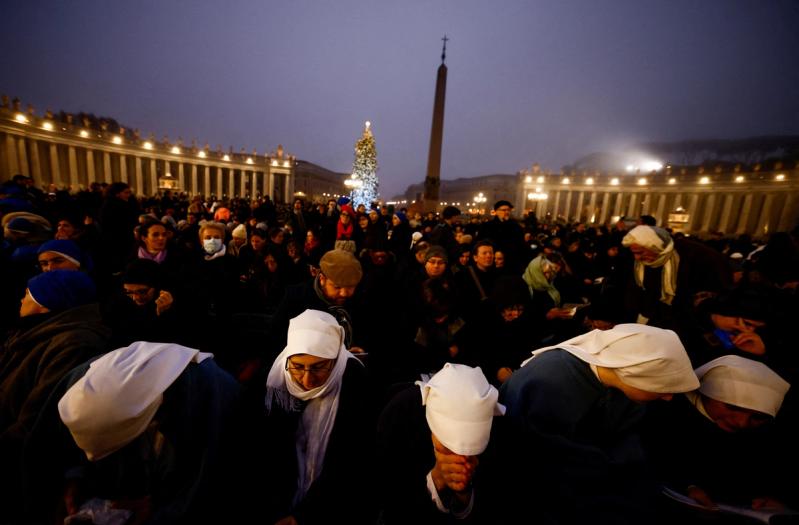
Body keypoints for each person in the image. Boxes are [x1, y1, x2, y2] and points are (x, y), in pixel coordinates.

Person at [500, 324, 700, 524]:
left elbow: (626, 436)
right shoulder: (548, 380)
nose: (668, 397)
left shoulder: (623, 384)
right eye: (663, 388)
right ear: (637, 376)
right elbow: (540, 460)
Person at [23, 342, 242, 524]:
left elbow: (205, 489)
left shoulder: (214, 397)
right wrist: (73, 478)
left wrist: (154, 512)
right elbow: (56, 447)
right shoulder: (85, 379)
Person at [0, 271, 109, 515]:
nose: (21, 299)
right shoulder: (34, 330)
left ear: (48, 301)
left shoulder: (74, 343)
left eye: (27, 294)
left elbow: (40, 415)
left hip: (26, 462)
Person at [644, 355, 796, 519]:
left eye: (758, 417)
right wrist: (688, 486)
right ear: (707, 392)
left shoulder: (768, 434)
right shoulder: (663, 415)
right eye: (732, 407)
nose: (742, 423)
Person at [259, 310, 374, 525]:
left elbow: (352, 458)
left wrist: (306, 514)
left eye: (319, 367)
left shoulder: (354, 381)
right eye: (298, 367)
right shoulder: (272, 387)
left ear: (336, 359)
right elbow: (264, 453)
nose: (306, 378)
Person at [377, 363, 505, 523]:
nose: (459, 454)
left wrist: (465, 492)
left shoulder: (501, 436)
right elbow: (390, 501)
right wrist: (436, 481)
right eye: (448, 441)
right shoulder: (401, 419)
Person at [621, 225, 730, 328]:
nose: (637, 258)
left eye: (640, 252)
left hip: (686, 323)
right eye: (634, 253)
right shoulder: (648, 260)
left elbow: (706, 296)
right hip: (651, 319)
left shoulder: (697, 258)